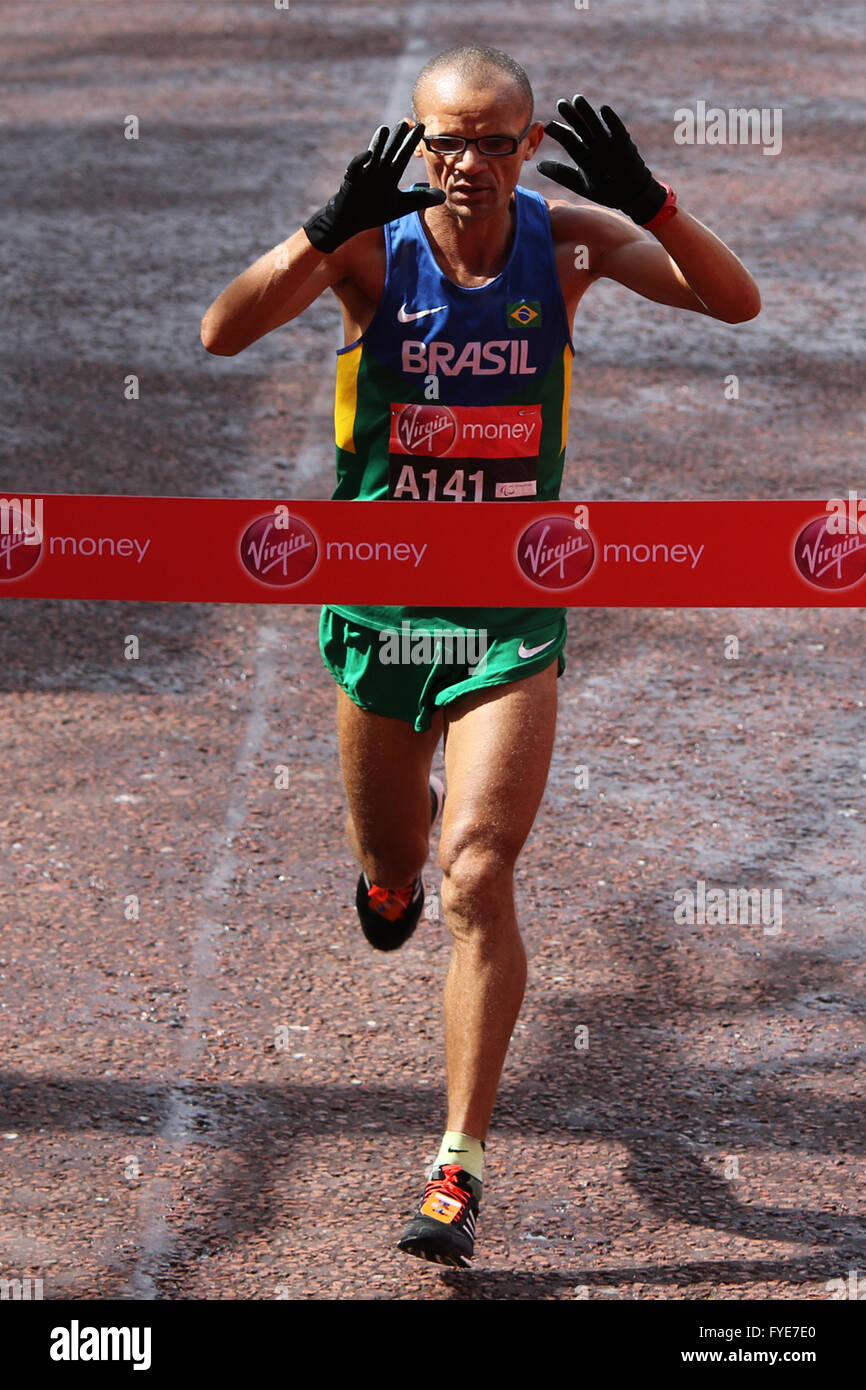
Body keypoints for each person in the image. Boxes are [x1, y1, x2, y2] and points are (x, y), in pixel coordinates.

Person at [201, 44, 760, 1268]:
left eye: (495, 141)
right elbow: (220, 333)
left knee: (477, 875)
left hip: (509, 613)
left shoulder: (562, 243)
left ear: (527, 144)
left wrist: (651, 202)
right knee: (400, 863)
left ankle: (456, 1163)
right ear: (416, 140)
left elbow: (735, 304)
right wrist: (318, 228)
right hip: (377, 613)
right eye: (447, 141)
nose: (469, 164)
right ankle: (383, 879)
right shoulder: (369, 245)